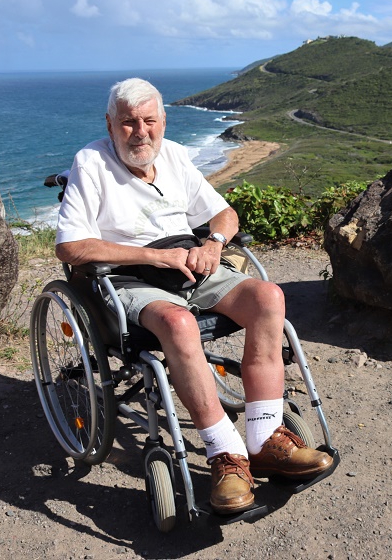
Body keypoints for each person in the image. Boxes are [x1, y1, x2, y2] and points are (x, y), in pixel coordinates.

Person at [55, 77, 331, 514]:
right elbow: (71, 247)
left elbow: (224, 213)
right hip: (127, 278)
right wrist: (155, 257)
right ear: (110, 124)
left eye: (149, 120)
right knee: (179, 324)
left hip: (191, 266)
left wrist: (214, 244)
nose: (140, 132)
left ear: (163, 121)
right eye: (128, 123)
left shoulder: (176, 156)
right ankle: (226, 455)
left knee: (268, 298)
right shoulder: (91, 163)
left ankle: (263, 439)